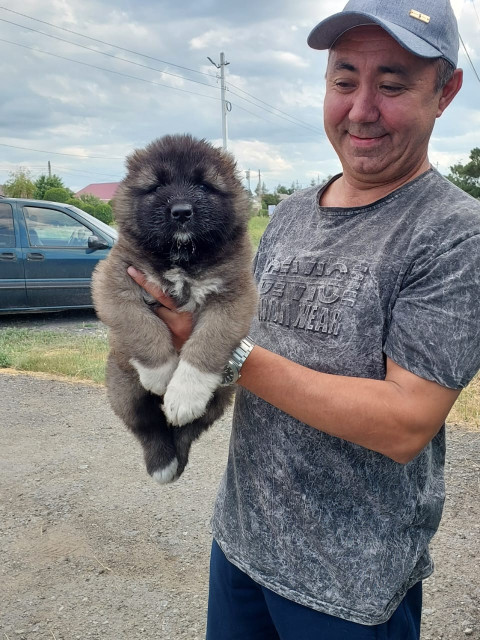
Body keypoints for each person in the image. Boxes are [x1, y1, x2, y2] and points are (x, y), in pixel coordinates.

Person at [128, 0, 480, 637]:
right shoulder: (290, 213)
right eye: (344, 81)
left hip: (349, 587)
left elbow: (406, 422)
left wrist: (220, 352)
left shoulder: (454, 235)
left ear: (445, 92)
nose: (361, 109)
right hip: (240, 546)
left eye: (393, 84)